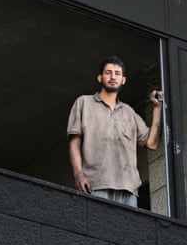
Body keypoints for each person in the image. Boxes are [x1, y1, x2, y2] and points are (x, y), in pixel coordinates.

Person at [67, 56, 163, 207]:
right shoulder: (84, 103)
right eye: (108, 73)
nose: (113, 77)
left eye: (117, 74)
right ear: (100, 77)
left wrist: (157, 108)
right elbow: (74, 142)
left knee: (126, 230)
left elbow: (152, 143)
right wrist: (78, 174)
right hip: (97, 184)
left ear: (123, 80)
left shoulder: (129, 113)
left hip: (129, 189)